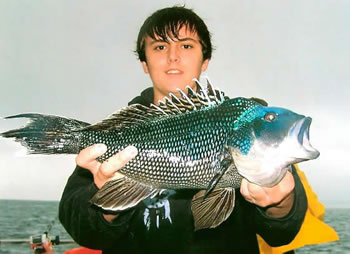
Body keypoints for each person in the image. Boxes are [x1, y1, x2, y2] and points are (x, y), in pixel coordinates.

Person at [59, 6, 308, 253]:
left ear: (205, 60)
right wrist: (110, 200)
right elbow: (81, 228)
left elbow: (282, 232)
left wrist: (280, 203)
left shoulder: (246, 123)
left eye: (186, 45)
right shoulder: (119, 134)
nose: (173, 56)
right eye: (159, 46)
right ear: (145, 64)